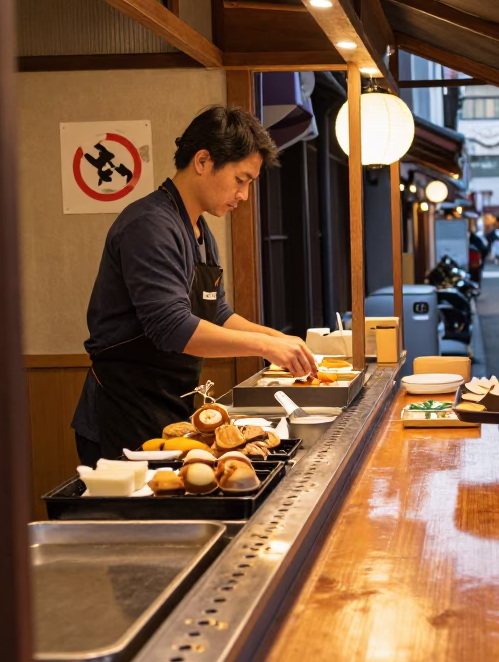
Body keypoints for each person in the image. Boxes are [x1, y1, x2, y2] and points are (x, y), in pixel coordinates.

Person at [71, 106, 317, 464]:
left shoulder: (199, 231)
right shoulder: (150, 225)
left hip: (168, 403)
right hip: (123, 409)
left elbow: (216, 313)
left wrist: (277, 340)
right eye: (241, 179)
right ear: (203, 161)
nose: (244, 195)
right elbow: (172, 328)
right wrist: (264, 346)